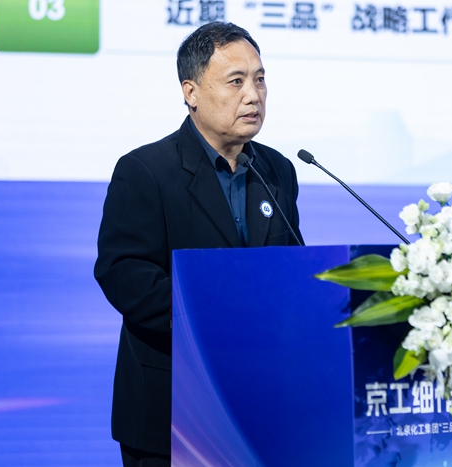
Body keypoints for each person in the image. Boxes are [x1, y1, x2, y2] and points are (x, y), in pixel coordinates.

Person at [94, 22, 303, 467]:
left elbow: (291, 269)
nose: (253, 95)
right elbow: (124, 273)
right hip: (173, 409)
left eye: (260, 79)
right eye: (236, 81)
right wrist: (217, 323)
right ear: (191, 92)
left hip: (260, 404)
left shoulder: (278, 170)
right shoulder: (146, 171)